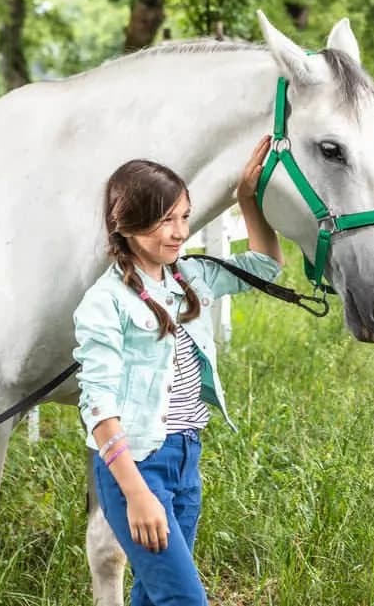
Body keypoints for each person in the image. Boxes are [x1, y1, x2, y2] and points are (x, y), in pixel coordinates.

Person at [73, 138, 283, 606]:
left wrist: (247, 199)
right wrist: (137, 494)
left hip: (186, 460)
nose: (178, 232)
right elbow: (98, 407)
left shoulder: (190, 277)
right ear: (124, 222)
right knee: (184, 600)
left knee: (153, 596)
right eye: (163, 219)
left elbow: (265, 266)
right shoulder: (105, 303)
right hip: (137, 466)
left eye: (183, 216)